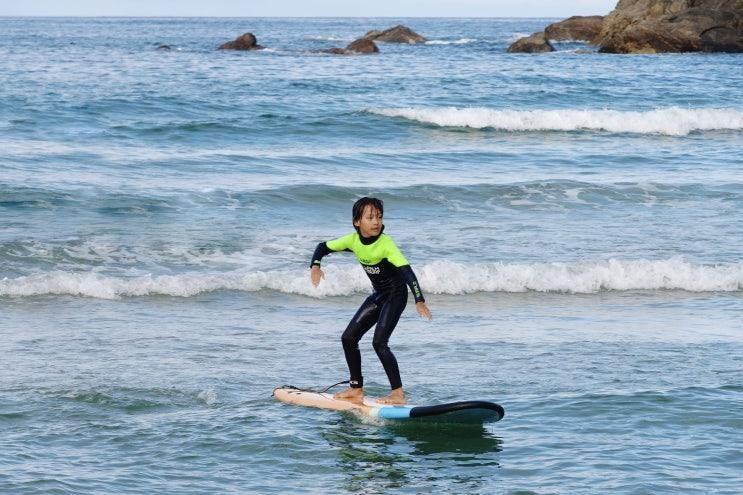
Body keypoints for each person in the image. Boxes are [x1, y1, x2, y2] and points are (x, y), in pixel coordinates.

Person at [310, 197, 432, 405]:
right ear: (357, 222)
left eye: (379, 217)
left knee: (379, 343)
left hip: (396, 295)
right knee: (348, 338)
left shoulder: (386, 244)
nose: (376, 222)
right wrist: (315, 266)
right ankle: (356, 389)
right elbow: (323, 247)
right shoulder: (353, 241)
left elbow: (407, 272)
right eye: (370, 217)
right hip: (379, 294)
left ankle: (398, 393)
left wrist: (419, 300)